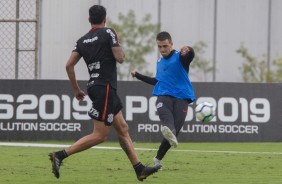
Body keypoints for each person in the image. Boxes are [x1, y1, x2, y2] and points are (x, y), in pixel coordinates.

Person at [48, 5, 161, 181]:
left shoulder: (81, 40)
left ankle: (139, 169)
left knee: (123, 129)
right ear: (105, 19)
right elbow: (120, 58)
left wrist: (76, 89)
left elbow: (68, 65)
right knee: (100, 135)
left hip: (95, 86)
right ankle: (60, 155)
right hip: (105, 87)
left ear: (89, 20)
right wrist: (118, 41)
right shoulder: (109, 32)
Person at [131, 31, 195, 169]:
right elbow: (157, 81)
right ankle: (168, 129)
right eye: (159, 47)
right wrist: (138, 75)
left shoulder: (181, 57)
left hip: (182, 97)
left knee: (174, 132)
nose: (162, 49)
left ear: (171, 44)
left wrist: (189, 49)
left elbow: (190, 56)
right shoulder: (159, 62)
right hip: (163, 96)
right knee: (168, 124)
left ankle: (158, 158)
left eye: (165, 46)